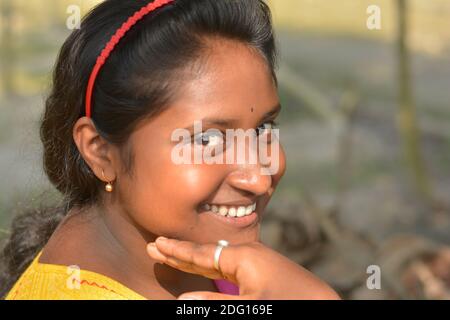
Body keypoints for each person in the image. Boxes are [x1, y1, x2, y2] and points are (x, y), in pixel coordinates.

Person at [0, 0, 339, 300]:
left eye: (264, 129)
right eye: (207, 141)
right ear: (100, 151)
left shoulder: (205, 252)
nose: (258, 178)